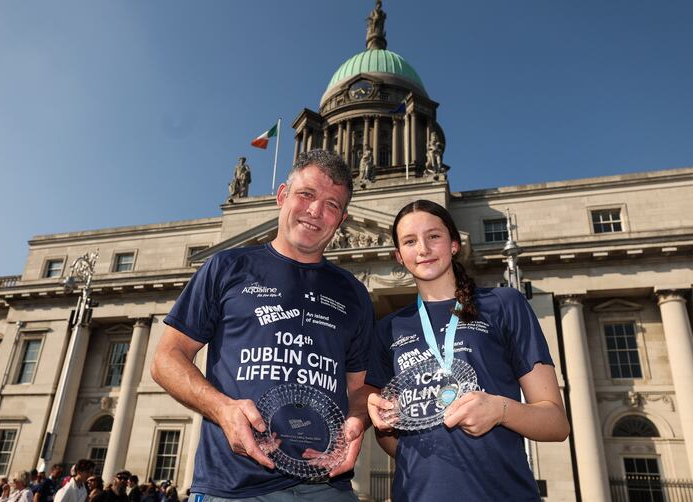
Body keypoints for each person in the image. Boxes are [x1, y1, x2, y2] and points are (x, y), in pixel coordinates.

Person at [152, 149, 374, 501]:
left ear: (343, 219)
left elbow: (360, 389)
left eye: (332, 205)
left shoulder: (355, 294)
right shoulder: (226, 267)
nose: (316, 211)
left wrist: (358, 420)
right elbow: (166, 358)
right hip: (234, 486)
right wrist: (222, 409)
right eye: (306, 195)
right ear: (283, 195)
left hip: (326, 485)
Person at [365, 200, 570, 501]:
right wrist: (384, 422)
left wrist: (500, 410)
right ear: (399, 256)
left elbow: (556, 423)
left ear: (454, 244)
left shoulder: (504, 304)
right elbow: (395, 443)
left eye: (433, 236)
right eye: (410, 241)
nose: (422, 248)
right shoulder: (389, 329)